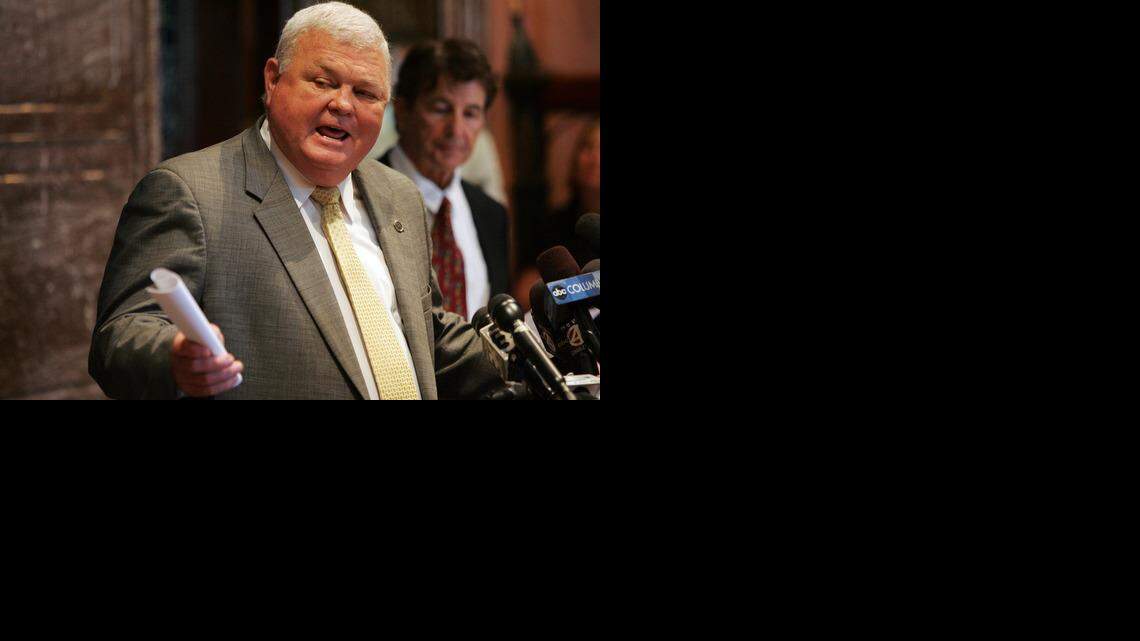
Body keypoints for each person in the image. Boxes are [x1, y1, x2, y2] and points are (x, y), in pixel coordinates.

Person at [88, 2, 501, 400]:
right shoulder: (189, 192)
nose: (342, 104)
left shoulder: (398, 195)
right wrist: (173, 358)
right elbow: (121, 335)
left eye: (365, 92)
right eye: (323, 82)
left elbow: (423, 332)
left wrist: (529, 345)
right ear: (273, 79)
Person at [377, 39, 509, 322]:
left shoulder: (491, 214)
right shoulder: (358, 195)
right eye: (440, 108)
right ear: (402, 109)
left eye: (471, 113)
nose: (456, 130)